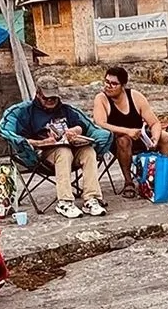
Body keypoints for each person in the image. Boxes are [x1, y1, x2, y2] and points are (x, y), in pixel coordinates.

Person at [16, 75, 106, 219]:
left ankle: (91, 199)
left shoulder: (65, 110)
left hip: (71, 148)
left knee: (88, 151)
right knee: (63, 152)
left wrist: (75, 131)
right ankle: (64, 202)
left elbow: (81, 125)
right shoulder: (27, 113)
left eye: (54, 97)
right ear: (38, 94)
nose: (51, 100)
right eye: (47, 97)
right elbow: (21, 139)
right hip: (44, 154)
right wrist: (42, 142)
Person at [92, 66, 168, 198]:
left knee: (164, 137)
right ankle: (128, 182)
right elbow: (100, 123)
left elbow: (154, 123)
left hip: (140, 137)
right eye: (107, 82)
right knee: (123, 140)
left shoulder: (135, 97)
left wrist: (155, 137)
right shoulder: (101, 99)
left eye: (114, 84)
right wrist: (127, 131)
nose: (109, 86)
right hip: (117, 142)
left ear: (123, 85)